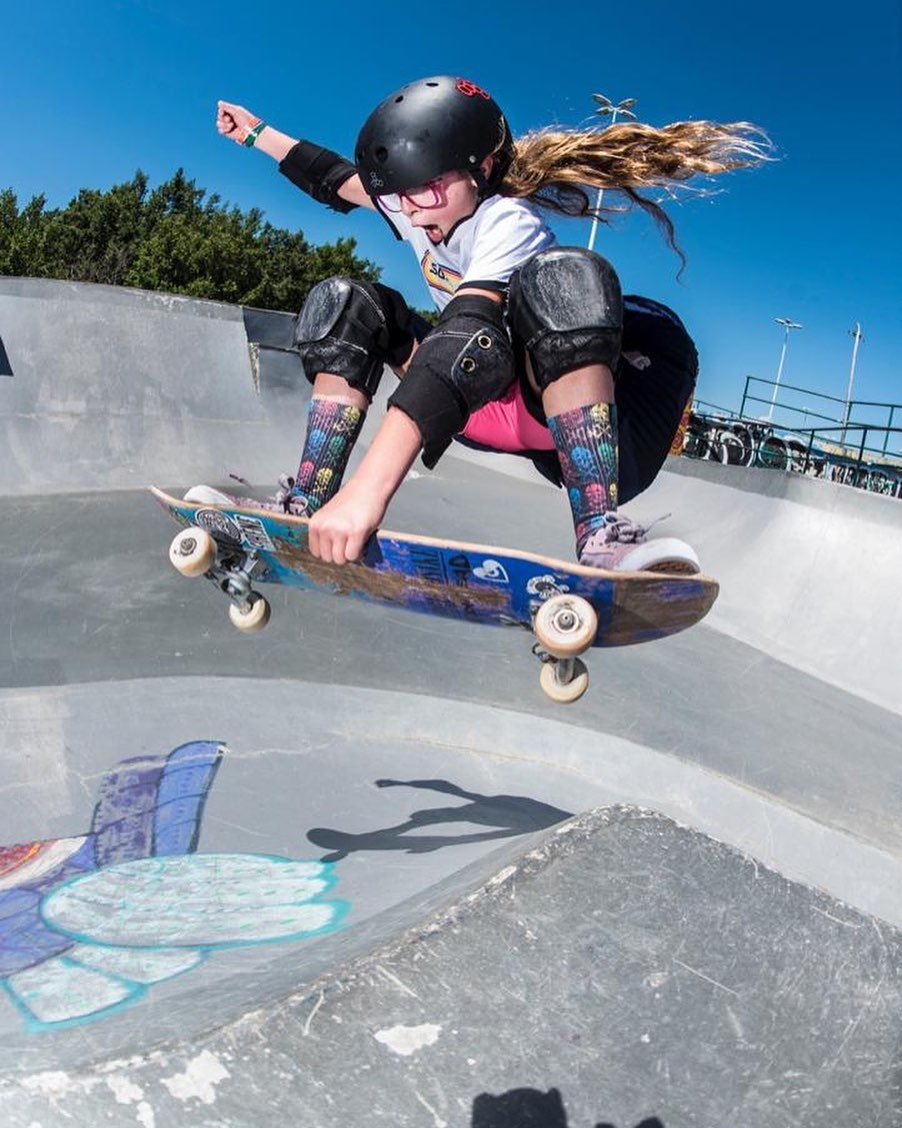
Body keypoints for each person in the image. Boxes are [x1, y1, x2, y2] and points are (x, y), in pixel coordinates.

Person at [192, 76, 768, 571]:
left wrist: (368, 494)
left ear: (484, 169)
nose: (413, 208)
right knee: (347, 302)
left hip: (582, 430)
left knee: (562, 278)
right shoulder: (419, 203)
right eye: (401, 194)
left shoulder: (507, 221)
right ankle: (309, 502)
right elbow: (337, 180)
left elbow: (469, 331)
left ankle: (600, 533)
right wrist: (252, 131)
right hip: (480, 405)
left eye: (428, 187)